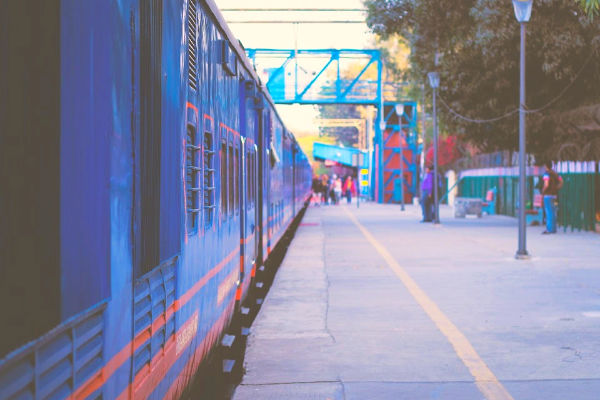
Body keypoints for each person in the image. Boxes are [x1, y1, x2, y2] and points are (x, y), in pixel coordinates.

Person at [541, 161, 563, 234]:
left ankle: (549, 229)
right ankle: (553, 229)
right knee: (553, 212)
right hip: (554, 194)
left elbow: (546, 184)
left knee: (548, 212)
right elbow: (561, 181)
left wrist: (543, 190)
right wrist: (556, 188)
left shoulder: (546, 174)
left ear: (546, 166)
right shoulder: (555, 174)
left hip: (548, 195)